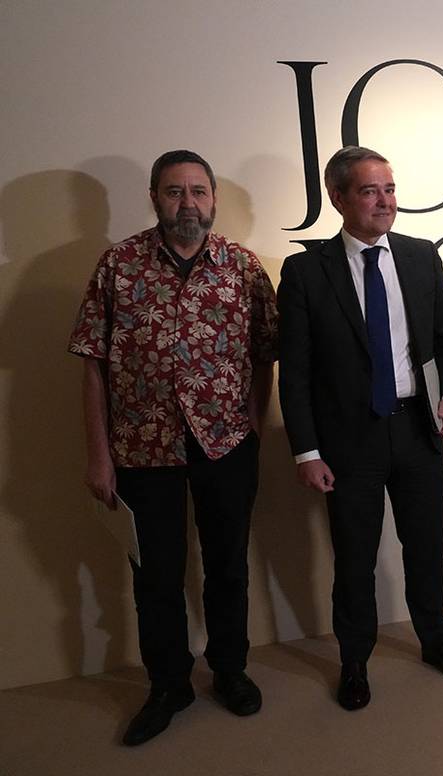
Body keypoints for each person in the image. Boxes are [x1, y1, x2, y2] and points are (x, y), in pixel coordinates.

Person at [68, 150, 278, 745]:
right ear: (154, 198)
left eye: (198, 191)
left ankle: (230, 671)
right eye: (174, 192)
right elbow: (93, 368)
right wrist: (99, 455)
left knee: (227, 567)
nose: (188, 203)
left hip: (226, 445)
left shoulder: (242, 267)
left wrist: (253, 429)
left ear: (214, 198)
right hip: (140, 449)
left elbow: (265, 356)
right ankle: (168, 685)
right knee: (154, 576)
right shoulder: (119, 266)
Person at [277, 146, 443, 711]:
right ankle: (355, 661)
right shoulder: (305, 271)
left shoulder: (419, 256)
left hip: (417, 433)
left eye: (389, 188)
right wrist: (306, 452)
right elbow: (294, 371)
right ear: (338, 198)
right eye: (370, 191)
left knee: (427, 550)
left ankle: (436, 640)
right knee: (355, 557)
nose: (385, 201)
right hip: (348, 443)